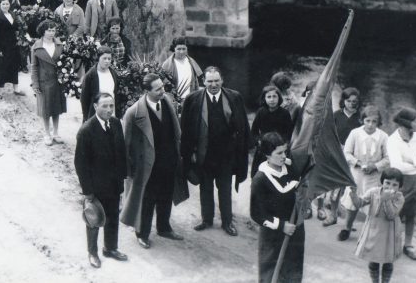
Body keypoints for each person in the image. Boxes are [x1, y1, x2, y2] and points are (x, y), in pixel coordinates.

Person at [120, 73, 188, 249]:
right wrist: (129, 170)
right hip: (147, 167)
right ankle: (142, 233)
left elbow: (175, 131)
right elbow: (125, 144)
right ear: (146, 91)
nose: (162, 91)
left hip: (168, 161)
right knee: (147, 201)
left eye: (162, 87)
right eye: (158, 89)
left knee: (166, 196)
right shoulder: (133, 113)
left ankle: (164, 228)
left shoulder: (167, 102)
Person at [180, 66, 250, 236]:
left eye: (216, 80)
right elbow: (186, 130)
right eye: (210, 81)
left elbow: (243, 126)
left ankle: (227, 222)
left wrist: (241, 152)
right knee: (205, 188)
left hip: (226, 155)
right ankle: (207, 219)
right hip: (204, 154)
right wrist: (190, 154)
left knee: (225, 189)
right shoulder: (193, 99)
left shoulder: (234, 97)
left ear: (222, 80)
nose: (213, 84)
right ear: (204, 81)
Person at [74, 92, 128, 269]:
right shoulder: (87, 130)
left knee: (113, 216)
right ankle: (93, 253)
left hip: (113, 184)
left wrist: (122, 179)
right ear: (95, 106)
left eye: (111, 106)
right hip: (96, 187)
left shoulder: (116, 124)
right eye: (104, 106)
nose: (109, 109)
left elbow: (121, 153)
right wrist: (88, 191)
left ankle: (110, 248)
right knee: (93, 219)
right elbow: (80, 164)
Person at [250, 132, 304, 283]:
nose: (283, 156)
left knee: (293, 270)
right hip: (273, 236)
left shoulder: (291, 169)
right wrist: (281, 225)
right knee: (271, 273)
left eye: (285, 151)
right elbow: (256, 213)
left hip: (295, 229)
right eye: (279, 153)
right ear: (267, 154)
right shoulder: (260, 179)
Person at [387, 107, 416, 261]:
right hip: (402, 181)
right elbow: (397, 165)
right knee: (397, 214)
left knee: (412, 214)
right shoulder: (392, 140)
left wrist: (412, 161)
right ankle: (392, 244)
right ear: (406, 123)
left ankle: (408, 245)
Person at [339, 105, 390, 241]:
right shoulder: (355, 133)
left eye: (374, 121)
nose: (370, 124)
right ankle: (347, 227)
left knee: (372, 203)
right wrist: (359, 163)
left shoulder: (383, 137)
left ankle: (369, 231)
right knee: (352, 201)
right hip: (357, 174)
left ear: (378, 122)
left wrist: (375, 166)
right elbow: (347, 153)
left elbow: (388, 158)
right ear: (362, 120)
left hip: (374, 176)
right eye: (367, 121)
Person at [350, 168, 405, 283]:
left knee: (388, 261)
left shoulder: (399, 198)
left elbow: (391, 215)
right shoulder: (373, 192)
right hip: (374, 231)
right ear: (382, 182)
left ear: (400, 187)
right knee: (373, 259)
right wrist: (354, 194)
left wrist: (386, 200)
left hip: (390, 233)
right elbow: (359, 203)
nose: (390, 187)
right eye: (387, 183)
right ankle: (375, 281)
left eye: (395, 185)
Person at [322, 87, 363, 227]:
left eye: (355, 102)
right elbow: (328, 133)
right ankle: (332, 215)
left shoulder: (360, 119)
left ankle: (349, 223)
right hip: (338, 152)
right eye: (349, 101)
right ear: (343, 101)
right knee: (336, 187)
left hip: (354, 155)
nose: (352, 104)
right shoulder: (336, 115)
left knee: (352, 187)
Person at [30, 20, 66, 145]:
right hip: (43, 81)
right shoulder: (36, 46)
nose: (52, 33)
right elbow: (34, 67)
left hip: (57, 80)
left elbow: (66, 62)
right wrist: (35, 83)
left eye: (53, 30)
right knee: (45, 109)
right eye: (49, 30)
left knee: (56, 108)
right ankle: (47, 134)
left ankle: (56, 133)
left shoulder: (60, 45)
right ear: (43, 31)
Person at [250, 85, 293, 178]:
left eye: (274, 96)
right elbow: (254, 131)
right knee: (260, 174)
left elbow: (289, 132)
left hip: (279, 148)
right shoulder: (261, 112)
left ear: (279, 98)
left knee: (278, 175)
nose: (272, 99)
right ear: (264, 98)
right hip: (264, 148)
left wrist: (285, 145)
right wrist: (258, 141)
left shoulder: (285, 113)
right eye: (268, 97)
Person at [0, 0, 24, 95]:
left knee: (14, 66)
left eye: (7, 4)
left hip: (13, 46)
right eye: (3, 4)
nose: (5, 6)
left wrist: (19, 38)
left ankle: (16, 89)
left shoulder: (12, 14)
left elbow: (16, 29)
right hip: (2, 47)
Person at [80, 46, 119, 121]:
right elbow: (84, 98)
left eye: (109, 59)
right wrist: (86, 118)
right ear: (98, 58)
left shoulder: (113, 73)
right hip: (96, 114)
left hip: (111, 112)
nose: (107, 61)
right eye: (104, 58)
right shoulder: (90, 75)